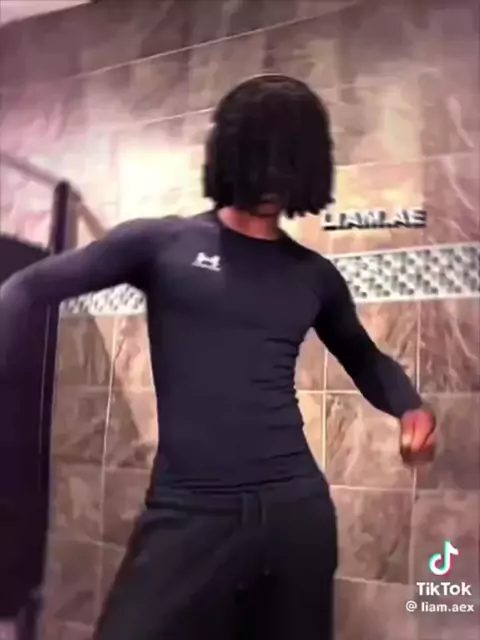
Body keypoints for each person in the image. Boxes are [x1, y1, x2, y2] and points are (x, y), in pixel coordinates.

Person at [0, 75, 435, 639]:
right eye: (265, 153)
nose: (274, 173)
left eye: (289, 158)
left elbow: (364, 357)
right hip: (189, 515)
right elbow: (24, 290)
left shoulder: (314, 276)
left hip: (294, 515)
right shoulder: (160, 243)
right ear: (235, 152)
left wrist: (410, 408)